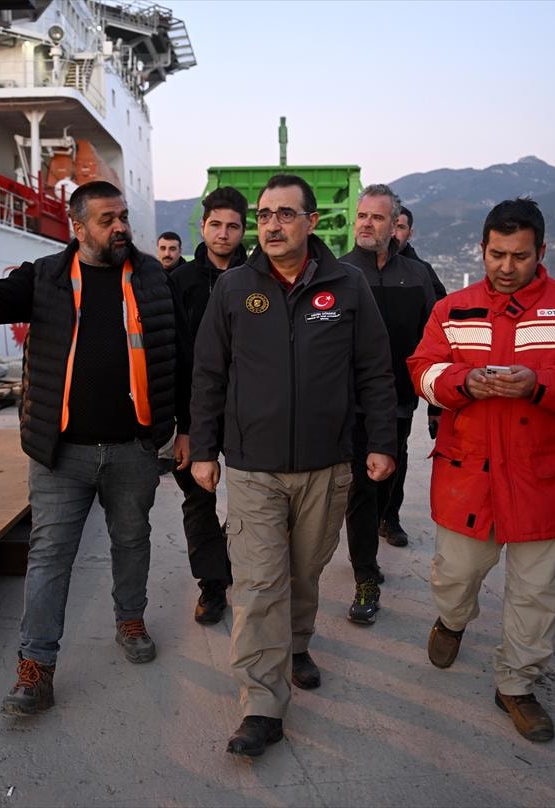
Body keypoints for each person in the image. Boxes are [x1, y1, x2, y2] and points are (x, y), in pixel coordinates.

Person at [0, 181, 191, 716]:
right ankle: (36, 666)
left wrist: (184, 428)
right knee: (49, 556)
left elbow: (177, 355)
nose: (120, 228)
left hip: (134, 448)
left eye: (123, 217)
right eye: (106, 220)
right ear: (78, 227)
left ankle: (130, 619)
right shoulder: (45, 276)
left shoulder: (152, 278)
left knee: (132, 540)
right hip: (61, 453)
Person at [190, 173, 398, 756]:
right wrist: (204, 449)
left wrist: (382, 441)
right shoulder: (234, 288)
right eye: (264, 215)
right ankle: (261, 705)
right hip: (252, 466)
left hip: (326, 464)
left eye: (285, 214)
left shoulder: (348, 286)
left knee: (304, 574)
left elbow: (374, 370)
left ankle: (296, 643)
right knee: (260, 583)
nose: (272, 225)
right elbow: (208, 373)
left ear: (312, 222)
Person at [407, 198, 555, 743]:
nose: (507, 267)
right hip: (469, 478)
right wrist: (461, 382)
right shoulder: (452, 309)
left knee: (536, 593)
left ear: (541, 252)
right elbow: (422, 370)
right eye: (497, 254)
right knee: (454, 576)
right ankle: (453, 619)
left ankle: (517, 685)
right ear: (482, 248)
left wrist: (540, 383)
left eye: (520, 256)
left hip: (545, 482)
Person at [338, 184, 437, 624]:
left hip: (398, 403)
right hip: (352, 407)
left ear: (395, 224)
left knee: (385, 482)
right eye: (362, 215)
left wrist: (436, 404)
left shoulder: (416, 276)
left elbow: (435, 342)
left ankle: (375, 538)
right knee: (361, 488)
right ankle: (365, 574)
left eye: (376, 217)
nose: (366, 223)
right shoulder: (338, 273)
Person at [169, 186, 250, 624]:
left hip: (247, 415)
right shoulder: (179, 282)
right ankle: (212, 586)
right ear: (202, 227)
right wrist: (183, 427)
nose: (223, 234)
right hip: (194, 415)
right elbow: (174, 358)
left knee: (250, 503)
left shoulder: (259, 279)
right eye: (215, 225)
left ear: (243, 230)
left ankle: (229, 558)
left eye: (232, 226)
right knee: (199, 501)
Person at [395, 205, 448, 301]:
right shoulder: (366, 267)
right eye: (390, 226)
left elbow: (440, 305)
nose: (394, 233)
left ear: (410, 234)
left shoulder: (422, 271)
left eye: (400, 227)